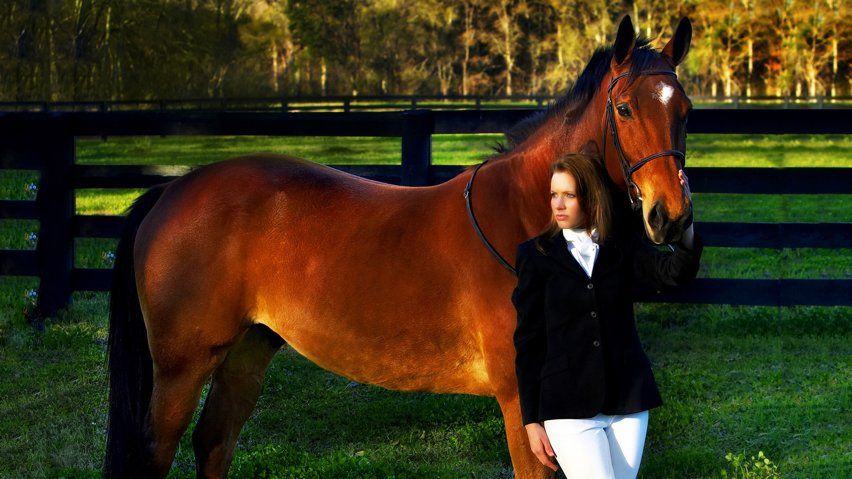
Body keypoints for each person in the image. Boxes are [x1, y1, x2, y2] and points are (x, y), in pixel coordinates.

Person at [511, 153, 703, 479]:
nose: (558, 204)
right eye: (554, 194)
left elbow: (675, 272)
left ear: (590, 197)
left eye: (569, 195)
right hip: (567, 407)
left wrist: (685, 218)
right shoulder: (535, 255)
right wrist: (531, 420)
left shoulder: (622, 247)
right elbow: (528, 342)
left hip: (628, 399)